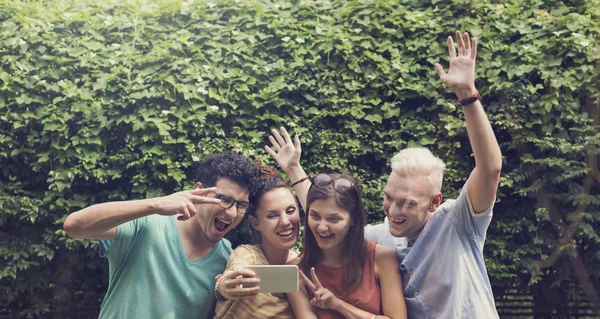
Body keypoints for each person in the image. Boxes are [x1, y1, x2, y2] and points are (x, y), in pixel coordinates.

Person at [364, 31, 502, 318]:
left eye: (407, 203)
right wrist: (295, 171)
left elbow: (489, 169)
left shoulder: (458, 221)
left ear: (435, 202)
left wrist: (467, 94)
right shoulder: (380, 236)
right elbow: (330, 221)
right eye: (389, 198)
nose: (393, 210)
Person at [63, 151, 260, 319]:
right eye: (224, 199)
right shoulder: (147, 224)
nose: (232, 213)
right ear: (199, 192)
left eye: (241, 204)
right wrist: (154, 204)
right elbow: (74, 226)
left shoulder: (229, 258)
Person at [266, 128, 407, 319]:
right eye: (314, 216)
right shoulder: (296, 271)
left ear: (353, 220)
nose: (322, 227)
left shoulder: (381, 258)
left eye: (334, 219)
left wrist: (338, 305)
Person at [213, 165, 316, 318]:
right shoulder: (249, 255)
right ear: (255, 223)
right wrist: (224, 287)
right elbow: (238, 270)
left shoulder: (301, 263)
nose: (285, 221)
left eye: (290, 211)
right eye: (272, 215)